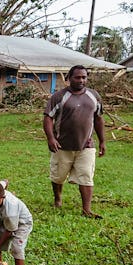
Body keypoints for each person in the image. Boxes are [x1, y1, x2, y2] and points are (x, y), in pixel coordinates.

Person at [43, 65, 106, 218]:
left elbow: (98, 119)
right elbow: (48, 118)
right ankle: (58, 199)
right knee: (58, 176)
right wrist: (51, 138)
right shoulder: (59, 96)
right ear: (69, 78)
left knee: (86, 176)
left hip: (86, 145)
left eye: (84, 77)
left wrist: (102, 141)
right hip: (62, 146)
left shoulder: (93, 96)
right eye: (77, 77)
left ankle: (86, 210)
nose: (81, 80)